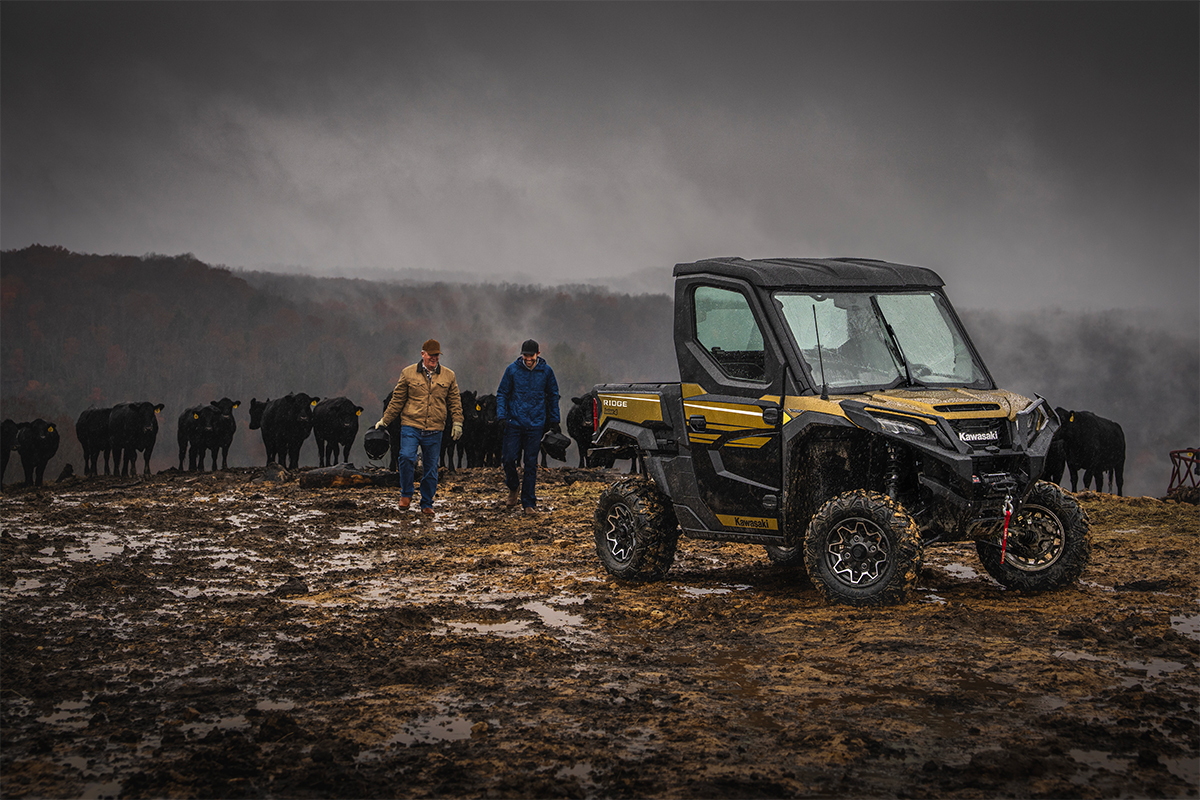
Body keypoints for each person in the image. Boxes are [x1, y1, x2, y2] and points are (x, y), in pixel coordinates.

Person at [375, 339, 463, 516]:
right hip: (411, 425)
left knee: (431, 468)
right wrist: (385, 420)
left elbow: (454, 401)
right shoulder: (408, 373)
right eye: (431, 355)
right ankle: (406, 494)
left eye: (437, 355)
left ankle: (427, 503)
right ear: (423, 354)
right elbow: (397, 400)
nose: (434, 358)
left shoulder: (449, 376)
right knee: (406, 457)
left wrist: (457, 422)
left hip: (435, 428)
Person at [496, 339, 560, 514]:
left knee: (531, 463)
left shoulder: (546, 372)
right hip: (514, 422)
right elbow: (502, 393)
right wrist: (501, 416)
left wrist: (555, 420)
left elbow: (553, 395)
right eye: (525, 355)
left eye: (531, 356)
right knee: (508, 459)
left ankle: (528, 503)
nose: (528, 359)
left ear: (538, 354)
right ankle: (513, 487)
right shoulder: (512, 370)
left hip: (536, 423)